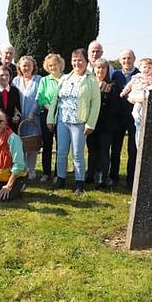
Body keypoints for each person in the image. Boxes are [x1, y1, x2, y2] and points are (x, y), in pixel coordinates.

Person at [47, 48, 101, 195]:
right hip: (63, 121)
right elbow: (55, 100)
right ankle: (60, 179)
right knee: (61, 152)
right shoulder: (65, 78)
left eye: (80, 60)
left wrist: (90, 124)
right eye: (74, 60)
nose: (77, 63)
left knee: (77, 154)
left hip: (79, 122)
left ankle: (79, 183)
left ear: (86, 62)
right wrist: (51, 118)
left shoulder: (91, 79)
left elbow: (96, 103)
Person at [86, 58, 121, 189]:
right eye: (98, 68)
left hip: (106, 124)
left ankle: (102, 178)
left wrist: (104, 98)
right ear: (94, 69)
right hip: (91, 123)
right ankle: (90, 174)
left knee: (104, 151)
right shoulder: (89, 83)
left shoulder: (112, 85)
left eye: (103, 68)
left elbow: (115, 107)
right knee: (92, 150)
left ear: (107, 70)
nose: (100, 70)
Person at [109, 49, 139, 190]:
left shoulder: (139, 75)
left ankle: (131, 179)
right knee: (115, 149)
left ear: (134, 59)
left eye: (129, 58)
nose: (127, 61)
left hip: (133, 117)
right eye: (124, 59)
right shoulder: (116, 74)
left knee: (133, 149)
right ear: (120, 61)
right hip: (117, 117)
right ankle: (113, 177)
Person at [11, 55, 41, 180]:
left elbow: (40, 97)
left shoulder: (38, 79)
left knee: (32, 143)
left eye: (29, 65)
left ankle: (32, 169)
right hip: (19, 118)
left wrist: (33, 112)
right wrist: (16, 112)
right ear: (19, 67)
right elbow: (12, 97)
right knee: (20, 143)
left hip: (33, 117)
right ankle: (22, 168)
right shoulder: (16, 80)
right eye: (24, 65)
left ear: (33, 66)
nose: (26, 68)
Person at [36, 53, 64, 183]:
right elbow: (41, 98)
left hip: (63, 115)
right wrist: (51, 110)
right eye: (50, 65)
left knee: (61, 145)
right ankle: (46, 172)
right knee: (47, 144)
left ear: (60, 65)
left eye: (55, 65)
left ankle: (59, 173)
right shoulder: (44, 80)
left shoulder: (66, 78)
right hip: (46, 114)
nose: (53, 67)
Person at [121, 58, 152, 149]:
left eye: (149, 67)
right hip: (137, 97)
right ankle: (138, 124)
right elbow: (129, 86)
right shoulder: (136, 77)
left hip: (146, 99)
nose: (147, 69)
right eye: (144, 67)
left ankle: (141, 123)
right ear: (140, 68)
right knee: (135, 112)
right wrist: (123, 93)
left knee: (142, 112)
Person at [0, 67, 22, 131]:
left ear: (10, 76)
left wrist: (17, 117)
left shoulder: (14, 91)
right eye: (2, 75)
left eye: (7, 75)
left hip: (11, 128)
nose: (4, 77)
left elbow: (17, 109)